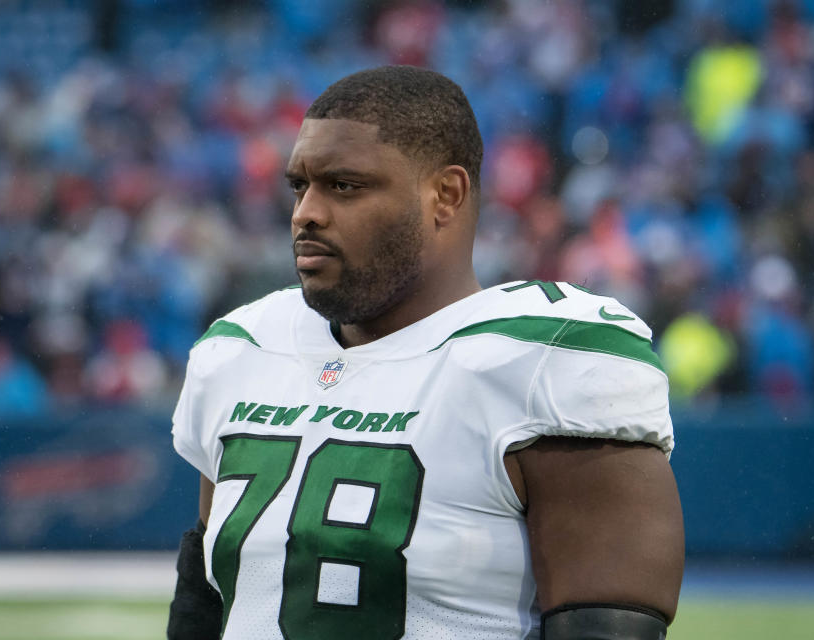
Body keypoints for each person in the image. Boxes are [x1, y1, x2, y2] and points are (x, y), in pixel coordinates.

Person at [167, 65, 683, 640]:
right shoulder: (243, 348)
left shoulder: (543, 357)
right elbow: (206, 604)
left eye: (344, 186)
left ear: (446, 194)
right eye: (299, 186)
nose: (306, 213)